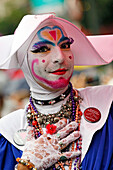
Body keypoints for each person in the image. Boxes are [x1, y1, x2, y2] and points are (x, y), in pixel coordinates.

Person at [0, 13, 113, 170]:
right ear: (23, 59)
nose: (60, 57)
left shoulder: (107, 103)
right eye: (43, 49)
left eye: (65, 46)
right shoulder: (7, 131)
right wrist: (26, 166)